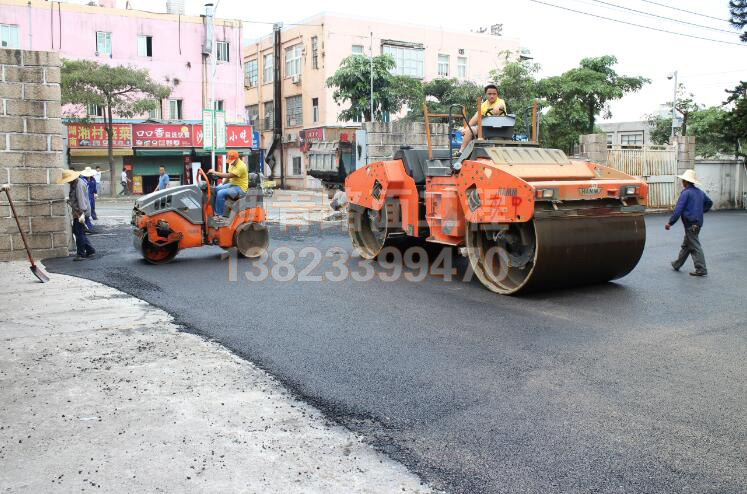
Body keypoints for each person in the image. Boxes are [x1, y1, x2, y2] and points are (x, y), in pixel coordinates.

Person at [665, 169, 712, 277]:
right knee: (687, 245)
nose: (682, 182)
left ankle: (701, 269)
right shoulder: (700, 192)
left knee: (695, 246)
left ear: (685, 182)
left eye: (683, 180)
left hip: (690, 224)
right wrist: (701, 211)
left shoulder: (686, 193)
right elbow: (709, 203)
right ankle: (677, 264)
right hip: (697, 224)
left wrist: (670, 223)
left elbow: (678, 210)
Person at [57, 169, 96, 261]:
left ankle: (81, 254)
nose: (67, 182)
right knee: (78, 231)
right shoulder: (75, 183)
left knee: (79, 233)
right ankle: (90, 250)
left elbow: (82, 200)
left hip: (80, 212)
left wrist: (81, 213)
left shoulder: (79, 185)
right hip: (78, 212)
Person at [460, 84, 507, 152]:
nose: (492, 96)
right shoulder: (484, 105)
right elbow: (476, 117)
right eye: (489, 94)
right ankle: (461, 152)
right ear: (486, 94)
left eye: (494, 94)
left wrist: (498, 107)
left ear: (497, 94)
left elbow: (501, 105)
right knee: (469, 130)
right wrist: (466, 128)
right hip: (485, 129)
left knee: (482, 126)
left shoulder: (500, 101)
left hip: (498, 129)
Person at [208, 150, 248, 217]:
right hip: (232, 185)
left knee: (220, 193)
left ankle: (219, 215)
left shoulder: (241, 166)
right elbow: (228, 178)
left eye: (231, 160)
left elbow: (228, 175)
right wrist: (223, 185)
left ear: (237, 159)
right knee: (215, 189)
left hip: (240, 188)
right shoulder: (231, 164)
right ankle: (213, 211)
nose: (230, 162)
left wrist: (214, 172)